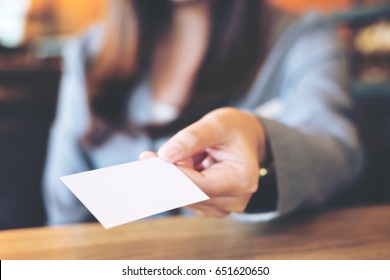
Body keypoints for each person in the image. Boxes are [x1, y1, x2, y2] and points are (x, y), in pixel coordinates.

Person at [43, 0, 362, 225]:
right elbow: (64, 208)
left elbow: (338, 154)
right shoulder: (87, 52)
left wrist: (262, 139)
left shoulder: (302, 38)